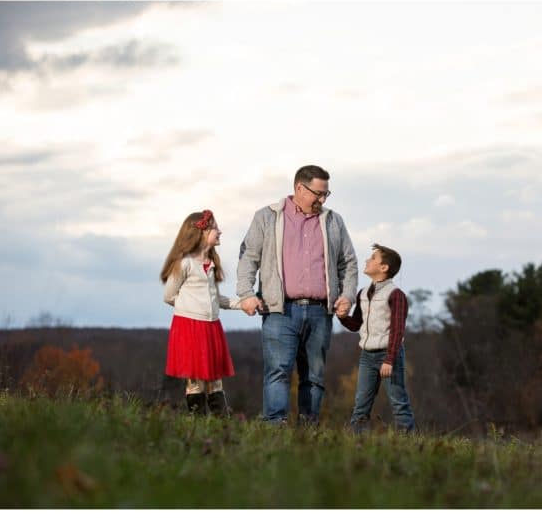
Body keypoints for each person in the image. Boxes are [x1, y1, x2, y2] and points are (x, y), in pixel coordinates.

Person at [236, 165, 358, 425]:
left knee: (314, 376)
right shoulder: (266, 217)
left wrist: (347, 295)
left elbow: (348, 263)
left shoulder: (334, 221)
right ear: (299, 188)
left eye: (327, 194)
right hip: (280, 310)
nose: (322, 200)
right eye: (318, 193)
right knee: (278, 372)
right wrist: (246, 293)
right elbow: (248, 258)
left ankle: (308, 431)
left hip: (320, 312)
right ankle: (274, 428)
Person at [161, 209, 241, 416]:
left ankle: (221, 426)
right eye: (215, 228)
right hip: (190, 327)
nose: (219, 231)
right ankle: (197, 426)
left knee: (215, 381)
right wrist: (191, 309)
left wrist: (243, 304)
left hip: (211, 327)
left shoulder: (211, 265)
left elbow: (216, 299)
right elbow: (169, 296)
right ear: (201, 233)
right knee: (195, 381)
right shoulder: (185, 264)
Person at [337, 243, 416, 432]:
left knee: (399, 403)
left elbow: (397, 331)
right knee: (360, 405)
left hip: (389, 357)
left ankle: (408, 444)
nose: (367, 260)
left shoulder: (396, 295)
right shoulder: (363, 293)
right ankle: (356, 443)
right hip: (367, 356)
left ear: (384, 268)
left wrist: (389, 360)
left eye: (373, 258)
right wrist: (342, 317)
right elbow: (356, 324)